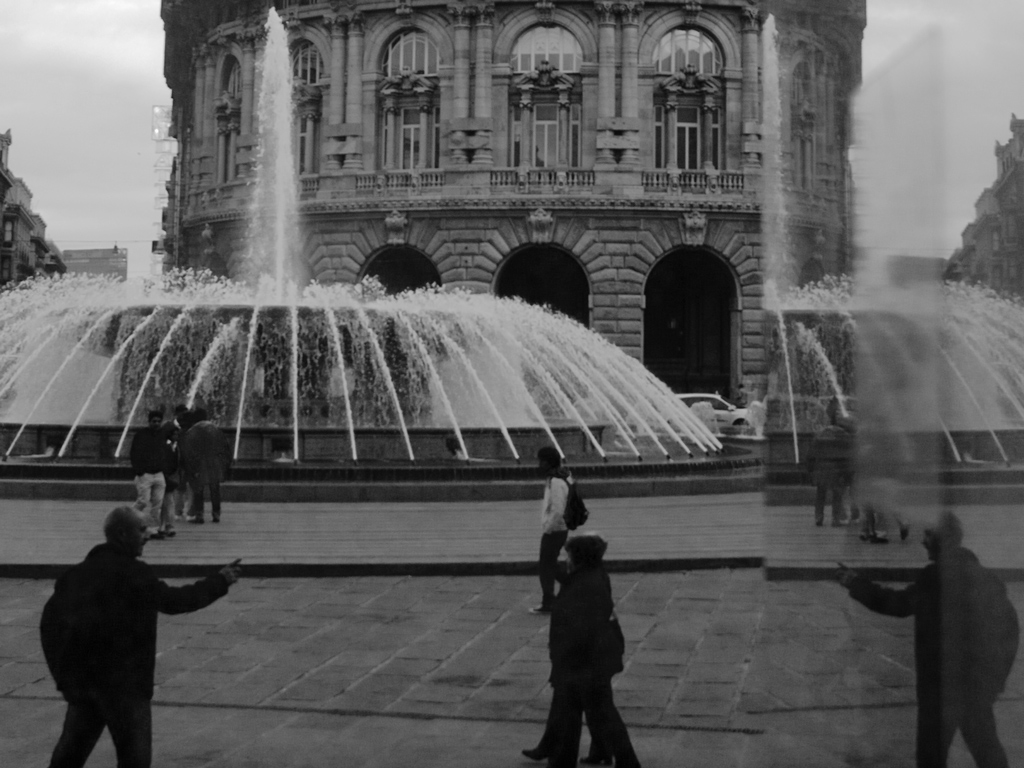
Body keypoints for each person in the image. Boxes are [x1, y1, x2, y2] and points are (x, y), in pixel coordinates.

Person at [40, 505, 241, 768]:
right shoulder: (135, 575)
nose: (147, 535)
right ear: (123, 534)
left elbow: (50, 626)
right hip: (126, 686)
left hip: (85, 685)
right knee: (134, 759)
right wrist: (220, 581)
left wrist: (64, 678)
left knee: (69, 755)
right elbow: (176, 601)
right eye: (142, 529)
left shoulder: (76, 575)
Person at [838, 511, 1018, 768]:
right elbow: (1010, 630)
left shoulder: (935, 580)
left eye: (927, 536)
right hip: (975, 689)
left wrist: (856, 583)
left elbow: (897, 604)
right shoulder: (983, 577)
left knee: (932, 757)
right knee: (987, 752)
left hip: (940, 690)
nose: (922, 542)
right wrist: (993, 682)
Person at [523, 534, 640, 768]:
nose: (567, 560)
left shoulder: (586, 586)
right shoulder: (592, 577)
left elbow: (580, 629)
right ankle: (603, 754)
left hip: (584, 662)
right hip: (593, 659)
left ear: (579, 558)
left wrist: (563, 661)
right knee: (590, 711)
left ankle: (621, 760)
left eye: (569, 556)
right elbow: (570, 581)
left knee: (589, 713)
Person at [531, 446, 569, 614]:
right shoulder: (559, 476)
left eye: (541, 461)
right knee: (549, 564)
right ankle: (569, 587)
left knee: (546, 566)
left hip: (556, 529)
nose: (539, 465)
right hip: (558, 528)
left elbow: (558, 509)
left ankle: (550, 600)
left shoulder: (556, 481)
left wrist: (548, 527)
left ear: (548, 462)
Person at [806, 397, 855, 527]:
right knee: (837, 494)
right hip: (836, 469)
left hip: (821, 468)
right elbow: (848, 454)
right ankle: (835, 518)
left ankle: (819, 517)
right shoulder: (843, 435)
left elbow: (812, 453)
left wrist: (810, 468)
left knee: (820, 493)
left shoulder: (821, 433)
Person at [180, 408, 231, 524]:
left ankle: (199, 514)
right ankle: (216, 514)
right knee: (215, 489)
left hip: (199, 464)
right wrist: (225, 463)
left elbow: (188, 451)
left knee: (199, 490)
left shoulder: (192, 431)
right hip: (215, 463)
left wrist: (190, 466)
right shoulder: (215, 430)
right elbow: (225, 447)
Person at [129, 409, 168, 539]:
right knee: (143, 501)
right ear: (149, 421)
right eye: (154, 421)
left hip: (159, 474)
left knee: (158, 503)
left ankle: (153, 529)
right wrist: (139, 471)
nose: (156, 423)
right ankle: (128, 521)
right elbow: (134, 453)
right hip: (145, 474)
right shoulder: (141, 435)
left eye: (158, 421)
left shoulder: (163, 434)